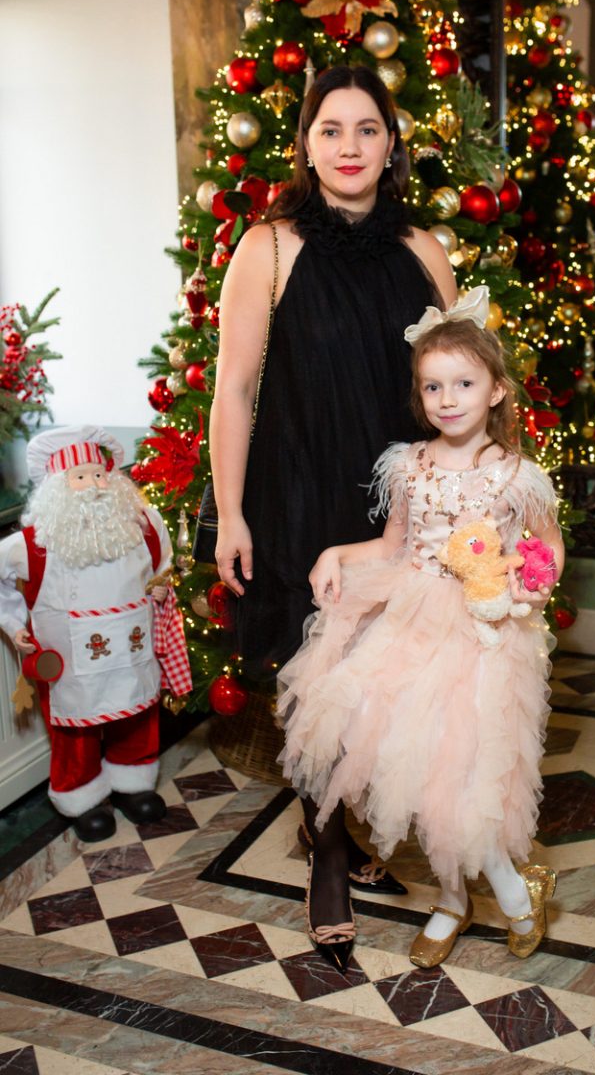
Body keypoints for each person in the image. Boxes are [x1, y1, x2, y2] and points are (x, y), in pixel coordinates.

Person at [209, 65, 457, 952]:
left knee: (381, 675)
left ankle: (339, 829)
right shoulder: (268, 247)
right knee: (316, 675)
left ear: (392, 146)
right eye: (330, 130)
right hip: (297, 489)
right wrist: (230, 512)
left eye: (367, 129)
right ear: (306, 146)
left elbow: (462, 383)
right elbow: (233, 389)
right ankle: (327, 850)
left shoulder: (426, 251)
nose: (349, 147)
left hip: (396, 503)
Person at [277, 288, 563, 973]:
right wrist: (334, 553)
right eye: (433, 386)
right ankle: (455, 898)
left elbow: (546, 550)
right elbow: (393, 547)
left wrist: (529, 583)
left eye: (463, 384)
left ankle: (504, 887)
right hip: (412, 623)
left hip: (484, 634)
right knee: (416, 762)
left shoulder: (517, 477)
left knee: (466, 770)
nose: (447, 399)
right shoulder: (410, 466)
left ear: (496, 390)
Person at [0, 426, 191, 841]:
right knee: (76, 732)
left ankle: (133, 782)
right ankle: (80, 796)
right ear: (56, 490)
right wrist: (14, 627)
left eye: (100, 474)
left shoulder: (144, 524)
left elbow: (163, 562)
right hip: (73, 663)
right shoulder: (29, 544)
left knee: (137, 714)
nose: (94, 485)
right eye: (81, 477)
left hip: (133, 649)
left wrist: (161, 585)